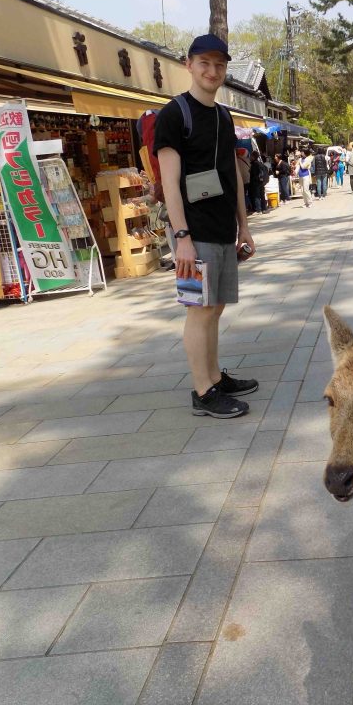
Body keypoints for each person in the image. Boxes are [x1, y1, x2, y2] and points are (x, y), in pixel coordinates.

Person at [154, 33, 258, 419]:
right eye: (204, 63)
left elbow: (231, 171)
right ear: (189, 65)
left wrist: (243, 226)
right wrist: (182, 238)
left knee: (214, 308)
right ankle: (202, 391)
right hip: (191, 233)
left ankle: (214, 377)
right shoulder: (174, 114)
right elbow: (169, 181)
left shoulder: (223, 115)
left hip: (221, 227)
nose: (212, 71)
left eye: (219, 64)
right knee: (198, 309)